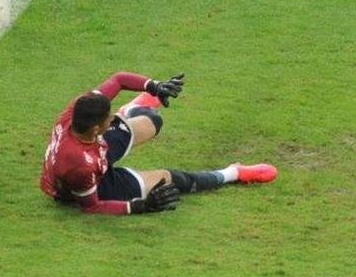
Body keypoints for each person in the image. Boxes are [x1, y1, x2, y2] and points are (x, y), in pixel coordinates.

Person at [40, 72, 278, 214]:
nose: (112, 119)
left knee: (153, 121)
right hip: (93, 183)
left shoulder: (77, 112)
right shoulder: (79, 166)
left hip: (94, 151)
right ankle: (233, 172)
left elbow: (119, 79)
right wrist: (141, 206)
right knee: (169, 179)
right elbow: (91, 207)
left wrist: (154, 86)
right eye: (109, 117)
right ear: (95, 128)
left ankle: (132, 108)